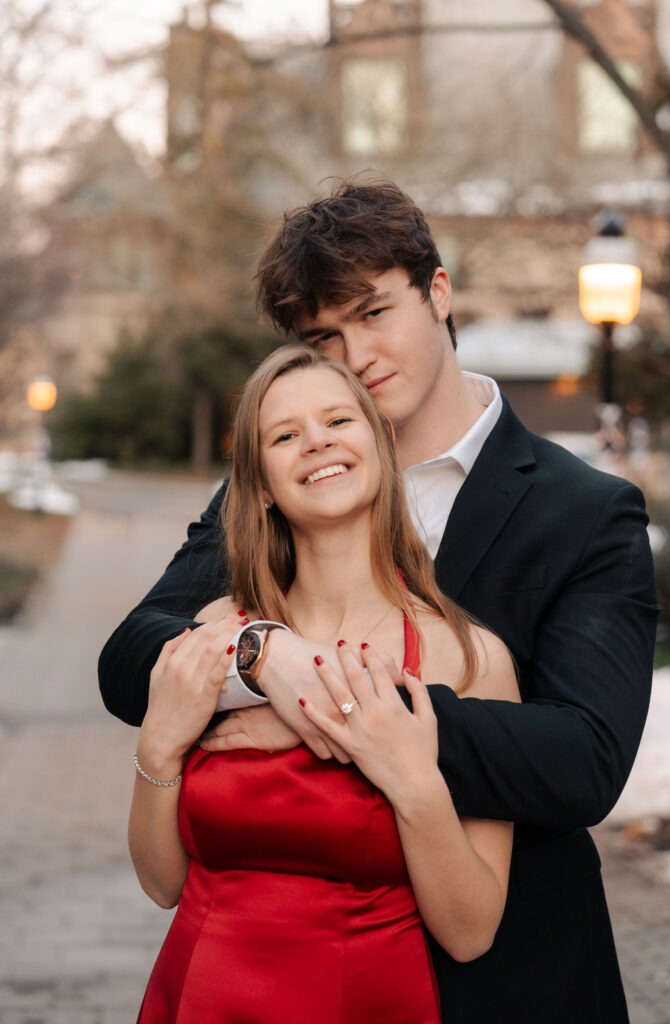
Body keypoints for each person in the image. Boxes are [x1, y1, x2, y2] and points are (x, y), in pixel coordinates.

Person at [101, 179, 659, 1023]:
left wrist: (334, 709)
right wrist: (261, 654)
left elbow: (582, 759)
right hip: (284, 983)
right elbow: (131, 655)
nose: (354, 356)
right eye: (321, 336)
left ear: (437, 292)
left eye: (371, 314)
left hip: (508, 975)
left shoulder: (582, 512)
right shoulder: (281, 484)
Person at [130, 345, 519, 1022]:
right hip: (198, 996)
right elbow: (161, 883)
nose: (316, 442)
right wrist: (156, 753)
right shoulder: (218, 636)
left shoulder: (467, 657)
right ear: (257, 485)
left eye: (338, 421)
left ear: (378, 444)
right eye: (285, 435)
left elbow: (470, 932)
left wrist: (411, 779)